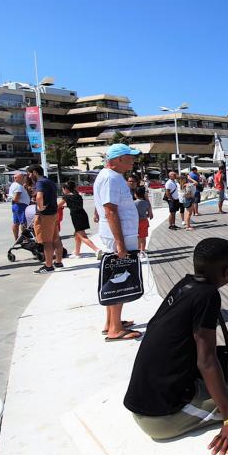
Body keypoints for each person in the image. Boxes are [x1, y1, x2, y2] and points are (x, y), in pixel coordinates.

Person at [124, 237, 228, 453]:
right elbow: (206, 360)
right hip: (162, 414)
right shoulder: (208, 295)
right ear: (226, 270)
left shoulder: (186, 285)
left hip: (147, 399)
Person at [95, 143, 143, 342]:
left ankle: (112, 322)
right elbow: (110, 210)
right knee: (119, 278)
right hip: (118, 237)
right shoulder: (110, 178)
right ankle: (115, 329)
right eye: (129, 156)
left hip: (118, 235)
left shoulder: (111, 177)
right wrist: (120, 243)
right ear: (117, 159)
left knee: (115, 277)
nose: (133, 159)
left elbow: (104, 209)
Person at [28, 165, 64, 274]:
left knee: (46, 242)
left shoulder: (40, 182)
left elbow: (39, 196)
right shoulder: (49, 181)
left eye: (30, 174)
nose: (29, 176)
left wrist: (40, 206)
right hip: (53, 213)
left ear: (34, 172)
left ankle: (48, 266)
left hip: (44, 216)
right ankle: (58, 262)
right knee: (56, 239)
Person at [60, 181, 101, 257]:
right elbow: (75, 205)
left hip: (76, 216)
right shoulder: (78, 195)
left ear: (66, 189)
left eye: (63, 189)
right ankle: (77, 253)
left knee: (82, 236)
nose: (62, 191)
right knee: (77, 234)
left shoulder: (66, 197)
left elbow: (58, 206)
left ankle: (96, 249)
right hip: (83, 214)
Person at [8, 172, 30, 240]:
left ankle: (16, 238)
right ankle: (25, 239)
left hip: (16, 205)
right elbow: (16, 198)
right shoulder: (18, 186)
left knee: (16, 222)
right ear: (17, 178)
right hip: (20, 206)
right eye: (23, 177)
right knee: (23, 222)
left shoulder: (14, 185)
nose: (24, 179)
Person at [135, 186, 154, 251]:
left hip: (136, 222)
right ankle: (142, 250)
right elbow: (149, 214)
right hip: (144, 221)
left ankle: (137, 250)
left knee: (137, 237)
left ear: (135, 194)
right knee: (143, 237)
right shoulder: (146, 203)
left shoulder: (133, 203)